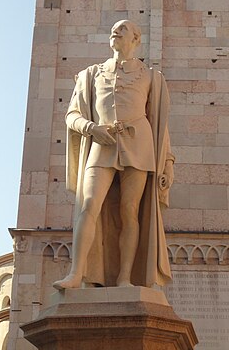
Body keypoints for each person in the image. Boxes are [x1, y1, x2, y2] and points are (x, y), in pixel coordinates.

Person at [53, 20, 174, 290]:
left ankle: (124, 279)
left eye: (123, 28)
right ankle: (77, 273)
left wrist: (168, 162)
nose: (116, 31)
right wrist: (91, 128)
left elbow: (159, 125)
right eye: (113, 29)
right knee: (89, 205)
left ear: (136, 38)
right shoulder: (91, 74)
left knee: (130, 211)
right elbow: (71, 115)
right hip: (102, 144)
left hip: (139, 146)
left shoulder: (151, 76)